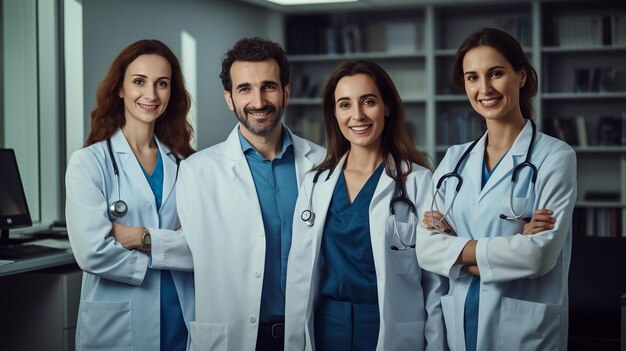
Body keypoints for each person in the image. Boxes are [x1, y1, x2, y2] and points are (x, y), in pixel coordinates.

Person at [415, 28, 576, 351]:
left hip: (523, 330)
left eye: (496, 73)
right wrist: (513, 244)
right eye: (472, 78)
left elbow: (539, 257)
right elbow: (426, 250)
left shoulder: (555, 157)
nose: (484, 88)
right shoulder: (455, 160)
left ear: (522, 76)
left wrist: (458, 257)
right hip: (459, 325)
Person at [284, 60, 448, 351]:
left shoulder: (417, 182)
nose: (357, 115)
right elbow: (299, 275)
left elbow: (434, 282)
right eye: (344, 104)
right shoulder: (315, 183)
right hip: (326, 327)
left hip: (389, 325)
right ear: (334, 113)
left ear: (386, 106)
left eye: (368, 101)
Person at [177, 37, 325, 351]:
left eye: (268, 86)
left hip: (306, 332)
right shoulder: (198, 172)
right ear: (229, 98)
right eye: (244, 88)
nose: (258, 102)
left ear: (287, 91)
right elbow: (189, 250)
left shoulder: (324, 164)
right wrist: (144, 238)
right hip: (234, 335)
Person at [65, 39, 195, 351]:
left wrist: (139, 237)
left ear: (171, 93)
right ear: (120, 88)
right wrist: (168, 251)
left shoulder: (187, 164)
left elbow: (204, 248)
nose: (151, 94)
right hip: (119, 327)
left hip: (180, 320)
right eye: (139, 82)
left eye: (162, 84)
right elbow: (91, 251)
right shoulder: (89, 162)